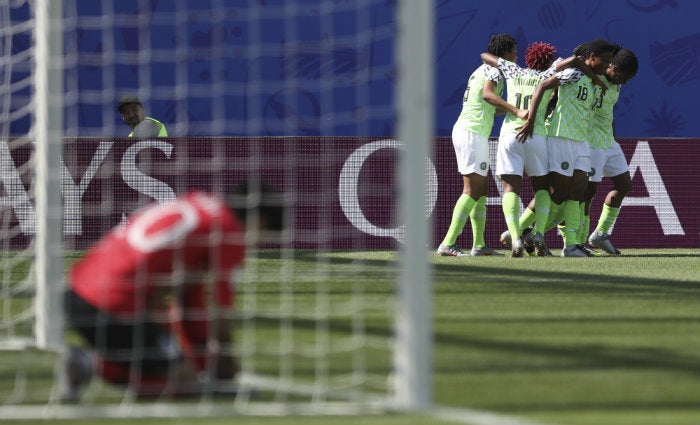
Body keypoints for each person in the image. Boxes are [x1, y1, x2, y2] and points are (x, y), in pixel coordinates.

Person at [61, 181, 285, 402]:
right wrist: (225, 361)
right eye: (263, 234)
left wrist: (199, 361)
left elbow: (188, 302)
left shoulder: (199, 204)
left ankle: (95, 363)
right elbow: (219, 312)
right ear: (259, 221)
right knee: (186, 382)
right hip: (113, 306)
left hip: (76, 293)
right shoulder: (227, 230)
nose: (256, 244)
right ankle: (90, 363)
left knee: (177, 366)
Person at [480, 42, 603, 257]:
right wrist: (594, 77)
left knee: (510, 190)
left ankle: (516, 237)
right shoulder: (550, 71)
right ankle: (538, 233)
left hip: (510, 134)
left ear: (527, 59)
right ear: (547, 60)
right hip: (536, 136)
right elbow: (573, 61)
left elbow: (485, 55)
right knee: (543, 189)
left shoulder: (512, 69)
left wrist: (502, 64)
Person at [517, 39, 615, 257]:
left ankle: (571, 245)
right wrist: (531, 119)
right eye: (605, 60)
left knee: (578, 192)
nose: (607, 65)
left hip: (582, 141)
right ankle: (520, 231)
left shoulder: (595, 81)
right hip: (562, 137)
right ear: (591, 58)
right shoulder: (574, 74)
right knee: (558, 193)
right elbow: (542, 85)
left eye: (610, 61)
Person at [437, 34, 520, 257]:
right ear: (505, 54)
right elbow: (488, 96)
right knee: (472, 189)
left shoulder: (480, 70)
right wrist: (516, 110)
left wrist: (516, 110)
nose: (516, 55)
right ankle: (448, 243)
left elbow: (490, 105)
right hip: (471, 132)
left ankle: (479, 245)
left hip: (472, 132)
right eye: (514, 51)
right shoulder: (494, 70)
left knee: (481, 190)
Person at [584, 48, 639, 254]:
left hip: (608, 142)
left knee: (624, 184)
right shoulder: (593, 78)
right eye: (622, 76)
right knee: (587, 194)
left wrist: (613, 135)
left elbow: (609, 112)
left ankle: (599, 234)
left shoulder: (616, 84)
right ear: (612, 67)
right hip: (591, 142)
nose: (623, 81)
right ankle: (577, 242)